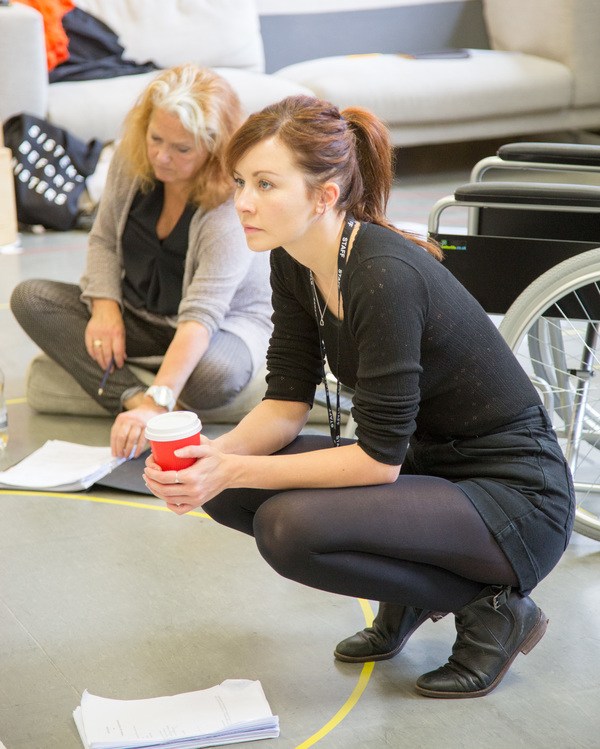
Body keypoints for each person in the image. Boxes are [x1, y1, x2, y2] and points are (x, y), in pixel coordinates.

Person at [142, 95, 575, 698]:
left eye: (266, 184)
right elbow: (286, 403)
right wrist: (206, 462)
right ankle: (412, 594)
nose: (242, 201)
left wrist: (231, 464)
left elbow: (377, 460)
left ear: (324, 195)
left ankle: (494, 610)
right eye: (240, 180)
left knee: (287, 527)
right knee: (231, 489)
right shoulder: (294, 259)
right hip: (430, 477)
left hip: (513, 498)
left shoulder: (381, 273)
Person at [11, 64, 273, 459]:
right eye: (156, 139)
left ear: (214, 148)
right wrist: (104, 307)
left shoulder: (228, 206)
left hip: (220, 325)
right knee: (30, 297)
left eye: (181, 148)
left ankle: (142, 392)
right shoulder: (133, 160)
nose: (161, 157)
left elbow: (201, 317)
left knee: (215, 375)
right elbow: (102, 240)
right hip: (140, 314)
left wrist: (160, 402)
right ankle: (132, 396)